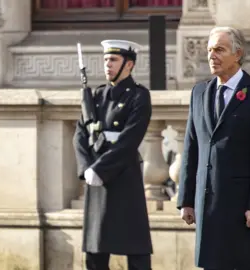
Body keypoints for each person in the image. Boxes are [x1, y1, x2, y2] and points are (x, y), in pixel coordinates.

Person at [177, 26, 250, 270]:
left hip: (243, 210)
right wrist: (186, 199)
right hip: (208, 208)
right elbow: (191, 147)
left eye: (220, 50)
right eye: (210, 50)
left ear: (238, 54)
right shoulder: (199, 92)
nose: (212, 55)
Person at [72, 39, 153, 270]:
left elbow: (129, 140)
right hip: (96, 177)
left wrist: (100, 169)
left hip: (123, 176)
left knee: (135, 249)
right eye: (106, 59)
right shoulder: (96, 95)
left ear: (129, 65)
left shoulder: (138, 96)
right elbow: (79, 134)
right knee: (95, 251)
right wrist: (86, 167)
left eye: (114, 60)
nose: (108, 64)